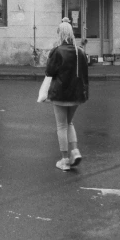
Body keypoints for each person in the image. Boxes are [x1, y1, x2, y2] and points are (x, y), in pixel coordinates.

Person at [45, 17, 89, 171]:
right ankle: (75, 151)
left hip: (60, 94)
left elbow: (49, 72)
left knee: (61, 126)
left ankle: (64, 160)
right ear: (71, 34)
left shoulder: (57, 51)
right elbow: (85, 75)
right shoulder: (81, 52)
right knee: (69, 123)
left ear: (60, 34)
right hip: (76, 95)